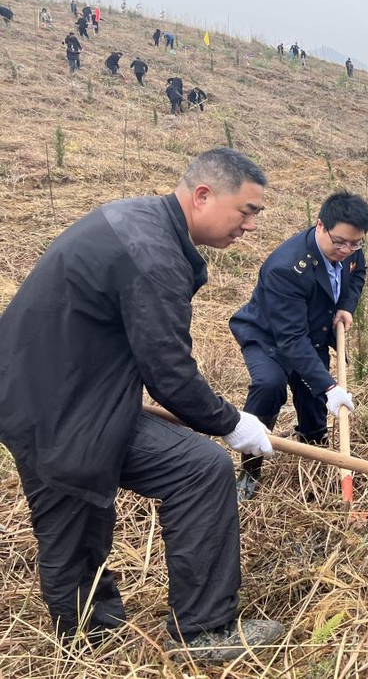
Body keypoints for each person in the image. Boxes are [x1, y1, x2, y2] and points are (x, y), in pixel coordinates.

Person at [0, 148, 284, 658]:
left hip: (79, 391)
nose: (251, 227)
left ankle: (180, 630)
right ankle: (103, 646)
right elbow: (169, 373)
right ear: (203, 196)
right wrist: (232, 422)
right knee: (77, 519)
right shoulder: (151, 254)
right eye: (246, 212)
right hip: (54, 406)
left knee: (194, 471)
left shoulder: (146, 221)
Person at [229, 191, 368, 500]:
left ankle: (314, 445)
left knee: (311, 396)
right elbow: (290, 339)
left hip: (313, 332)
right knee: (270, 385)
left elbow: (358, 272)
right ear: (320, 225)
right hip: (269, 336)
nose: (347, 250)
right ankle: (250, 466)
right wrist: (331, 387)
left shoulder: (350, 250)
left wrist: (346, 306)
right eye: (340, 242)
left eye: (355, 243)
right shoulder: (287, 267)